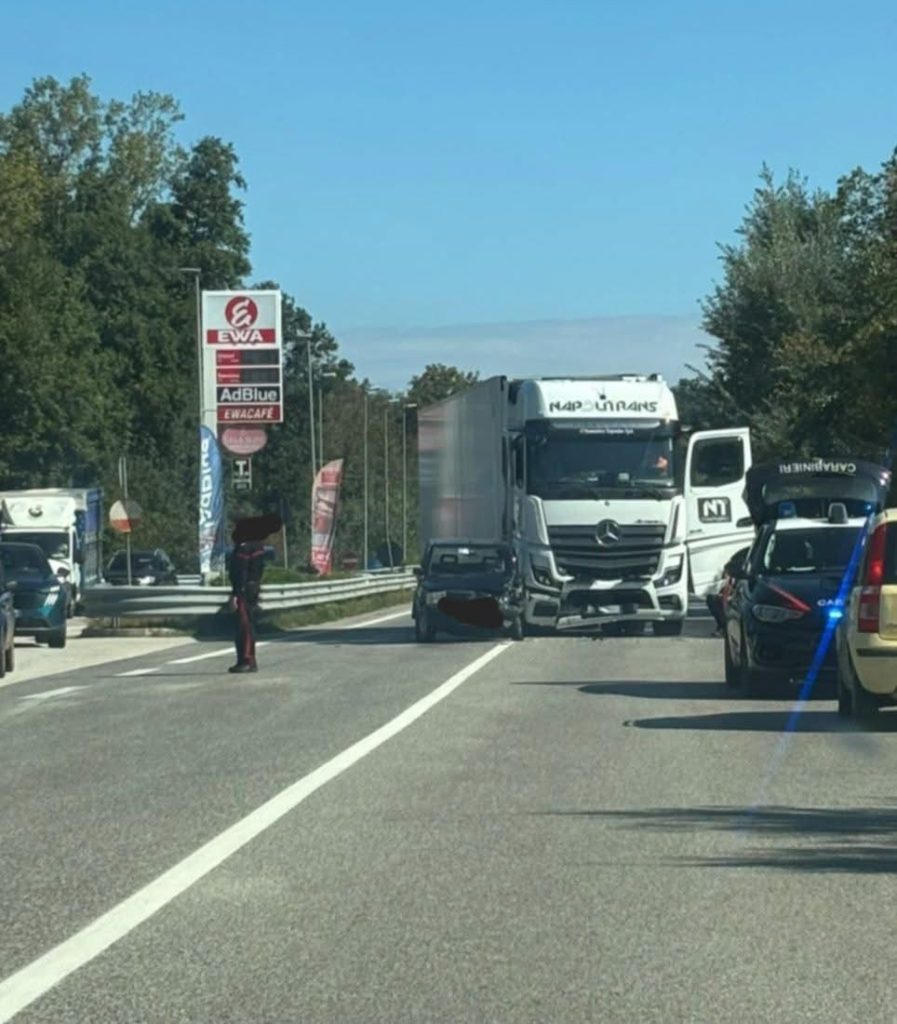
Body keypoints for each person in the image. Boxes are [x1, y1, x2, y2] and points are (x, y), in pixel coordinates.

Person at [228, 513, 281, 673]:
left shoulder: (245, 546)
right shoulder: (257, 546)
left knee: (244, 625)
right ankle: (245, 659)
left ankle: (247, 660)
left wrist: (237, 594)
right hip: (253, 587)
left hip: (245, 589)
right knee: (246, 624)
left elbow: (241, 571)